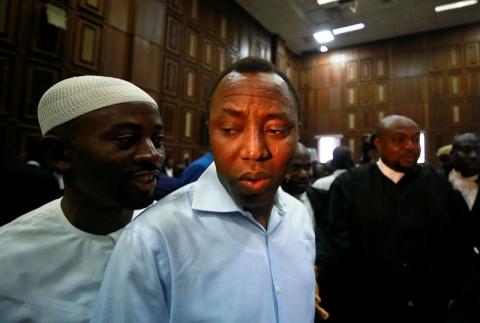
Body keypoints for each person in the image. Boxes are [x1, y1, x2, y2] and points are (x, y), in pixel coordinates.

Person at [91, 57, 321, 322]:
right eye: (230, 129)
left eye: (276, 130)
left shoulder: (299, 216)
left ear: (297, 134)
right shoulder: (153, 238)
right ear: (210, 133)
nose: (254, 150)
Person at [0, 75, 165, 322]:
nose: (152, 155)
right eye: (126, 141)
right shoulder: (7, 256)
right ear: (59, 154)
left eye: (157, 140)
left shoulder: (179, 237)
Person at [319, 115, 467, 323]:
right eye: (399, 140)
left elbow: (458, 242)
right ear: (378, 144)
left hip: (429, 308)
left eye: (415, 140)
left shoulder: (437, 184)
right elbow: (335, 246)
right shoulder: (349, 186)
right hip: (367, 309)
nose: (410, 146)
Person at [446, 133, 480, 323]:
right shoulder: (437, 187)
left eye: (477, 150)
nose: (474, 156)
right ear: (452, 155)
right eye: (466, 151)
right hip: (450, 289)